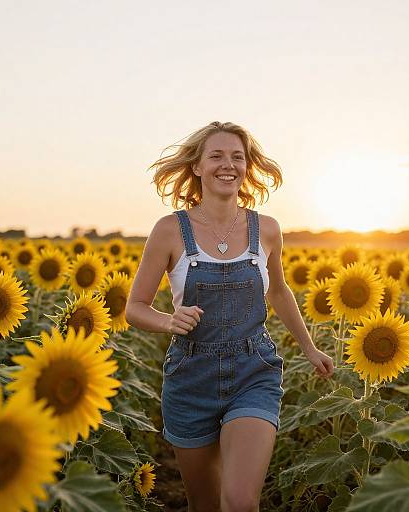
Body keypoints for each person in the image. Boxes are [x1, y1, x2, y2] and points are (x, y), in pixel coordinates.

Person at [125, 121, 334, 512]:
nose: (228, 165)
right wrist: (169, 321)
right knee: (205, 504)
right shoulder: (170, 231)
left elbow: (278, 291)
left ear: (247, 167)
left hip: (253, 370)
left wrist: (309, 348)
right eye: (217, 156)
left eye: (237, 157)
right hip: (190, 376)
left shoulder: (267, 230)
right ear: (198, 167)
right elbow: (134, 307)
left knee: (238, 501)